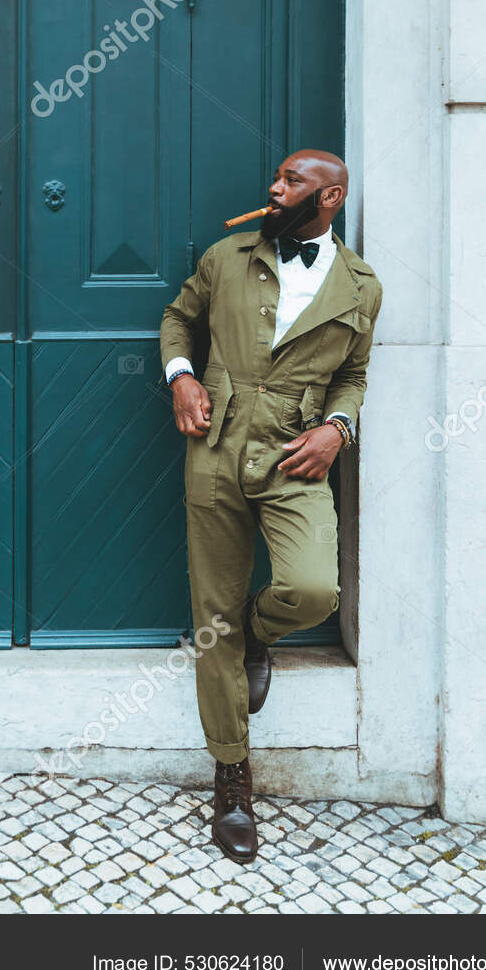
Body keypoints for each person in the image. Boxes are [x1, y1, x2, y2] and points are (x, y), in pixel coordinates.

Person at [160, 150, 382, 864]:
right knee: (211, 618)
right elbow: (177, 317)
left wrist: (337, 428)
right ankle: (231, 780)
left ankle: (260, 633)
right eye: (276, 178)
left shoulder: (359, 286)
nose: (273, 188)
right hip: (217, 449)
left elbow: (353, 372)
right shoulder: (228, 256)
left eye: (291, 183)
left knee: (313, 587)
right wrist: (181, 377)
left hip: (295, 455)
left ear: (330, 198)